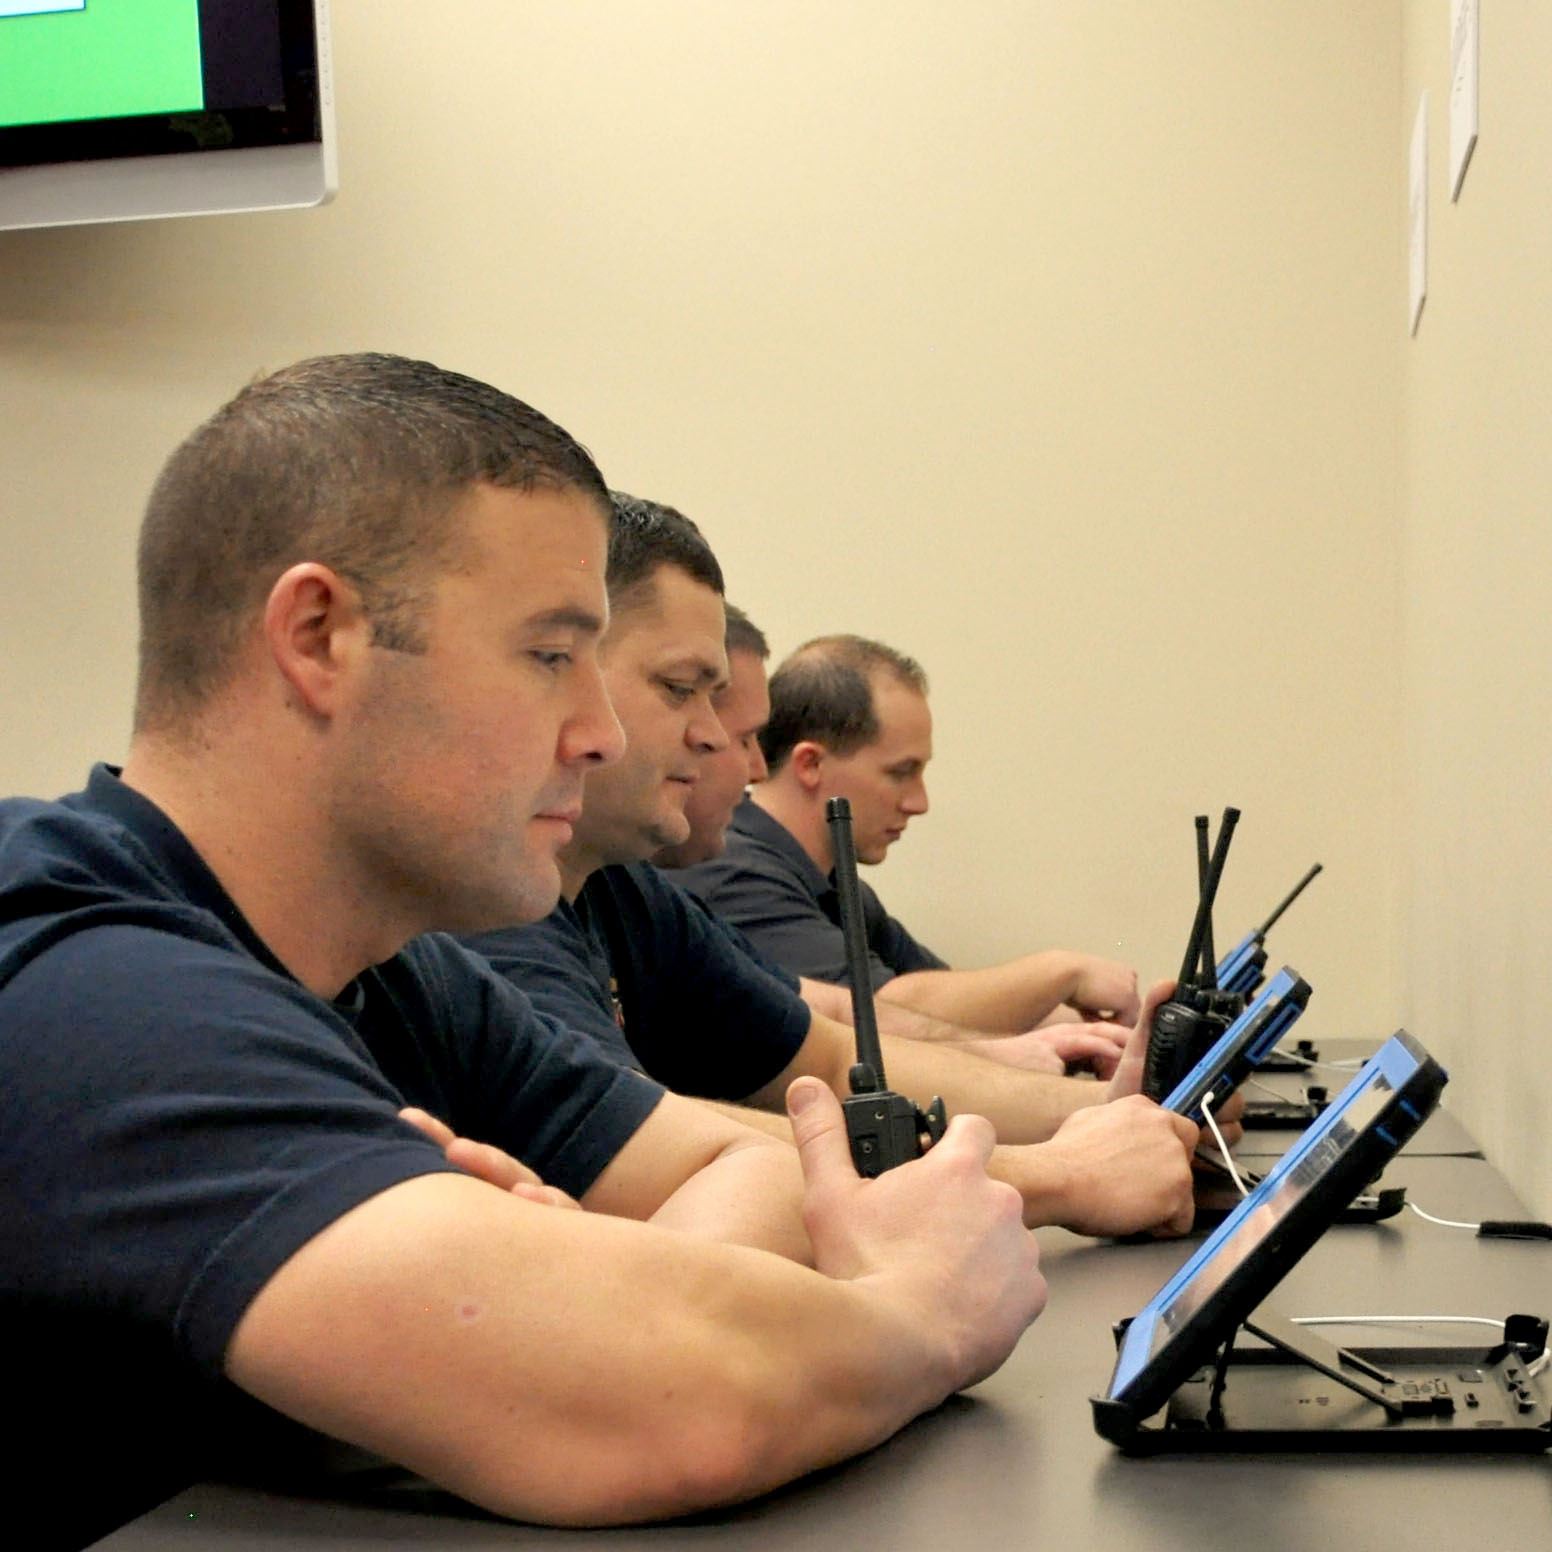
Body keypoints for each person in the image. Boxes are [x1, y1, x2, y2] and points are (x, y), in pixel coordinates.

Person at [0, 357, 1045, 1551]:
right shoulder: (75, 986)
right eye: (551, 655)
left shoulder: (396, 967)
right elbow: (673, 1408)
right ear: (319, 636)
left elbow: (741, 1176)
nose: (600, 734)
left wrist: (587, 1301)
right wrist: (923, 1309)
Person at [463, 493, 1199, 1237]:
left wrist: (1111, 1117)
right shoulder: (485, 913)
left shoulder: (621, 889)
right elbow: (656, 1151)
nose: (726, 746)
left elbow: (824, 1047)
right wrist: (1066, 1172)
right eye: (681, 689)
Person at [679, 633, 1143, 1034]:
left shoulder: (841, 889)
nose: (918, 802)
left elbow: (946, 1006)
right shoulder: (732, 874)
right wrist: (1061, 972)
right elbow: (885, 1015)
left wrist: (1103, 1033)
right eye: (901, 772)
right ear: (811, 764)